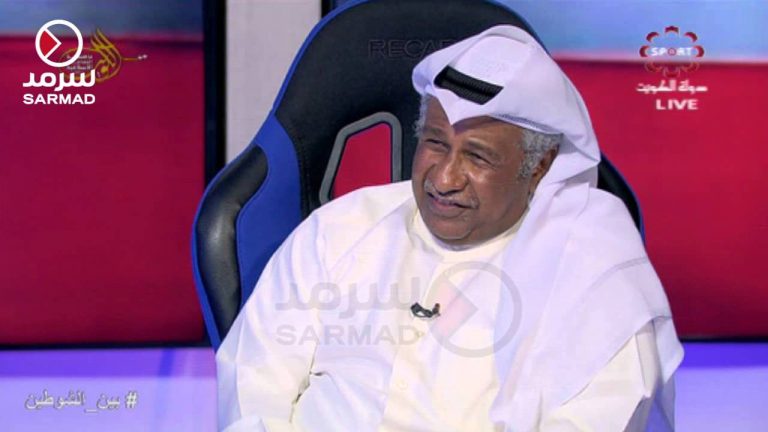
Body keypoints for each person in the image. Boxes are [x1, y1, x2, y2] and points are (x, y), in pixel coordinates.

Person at [216, 25, 683, 431]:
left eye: (477, 157)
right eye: (435, 143)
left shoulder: (595, 272)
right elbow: (253, 379)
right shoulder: (340, 228)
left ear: (539, 167)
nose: (443, 179)